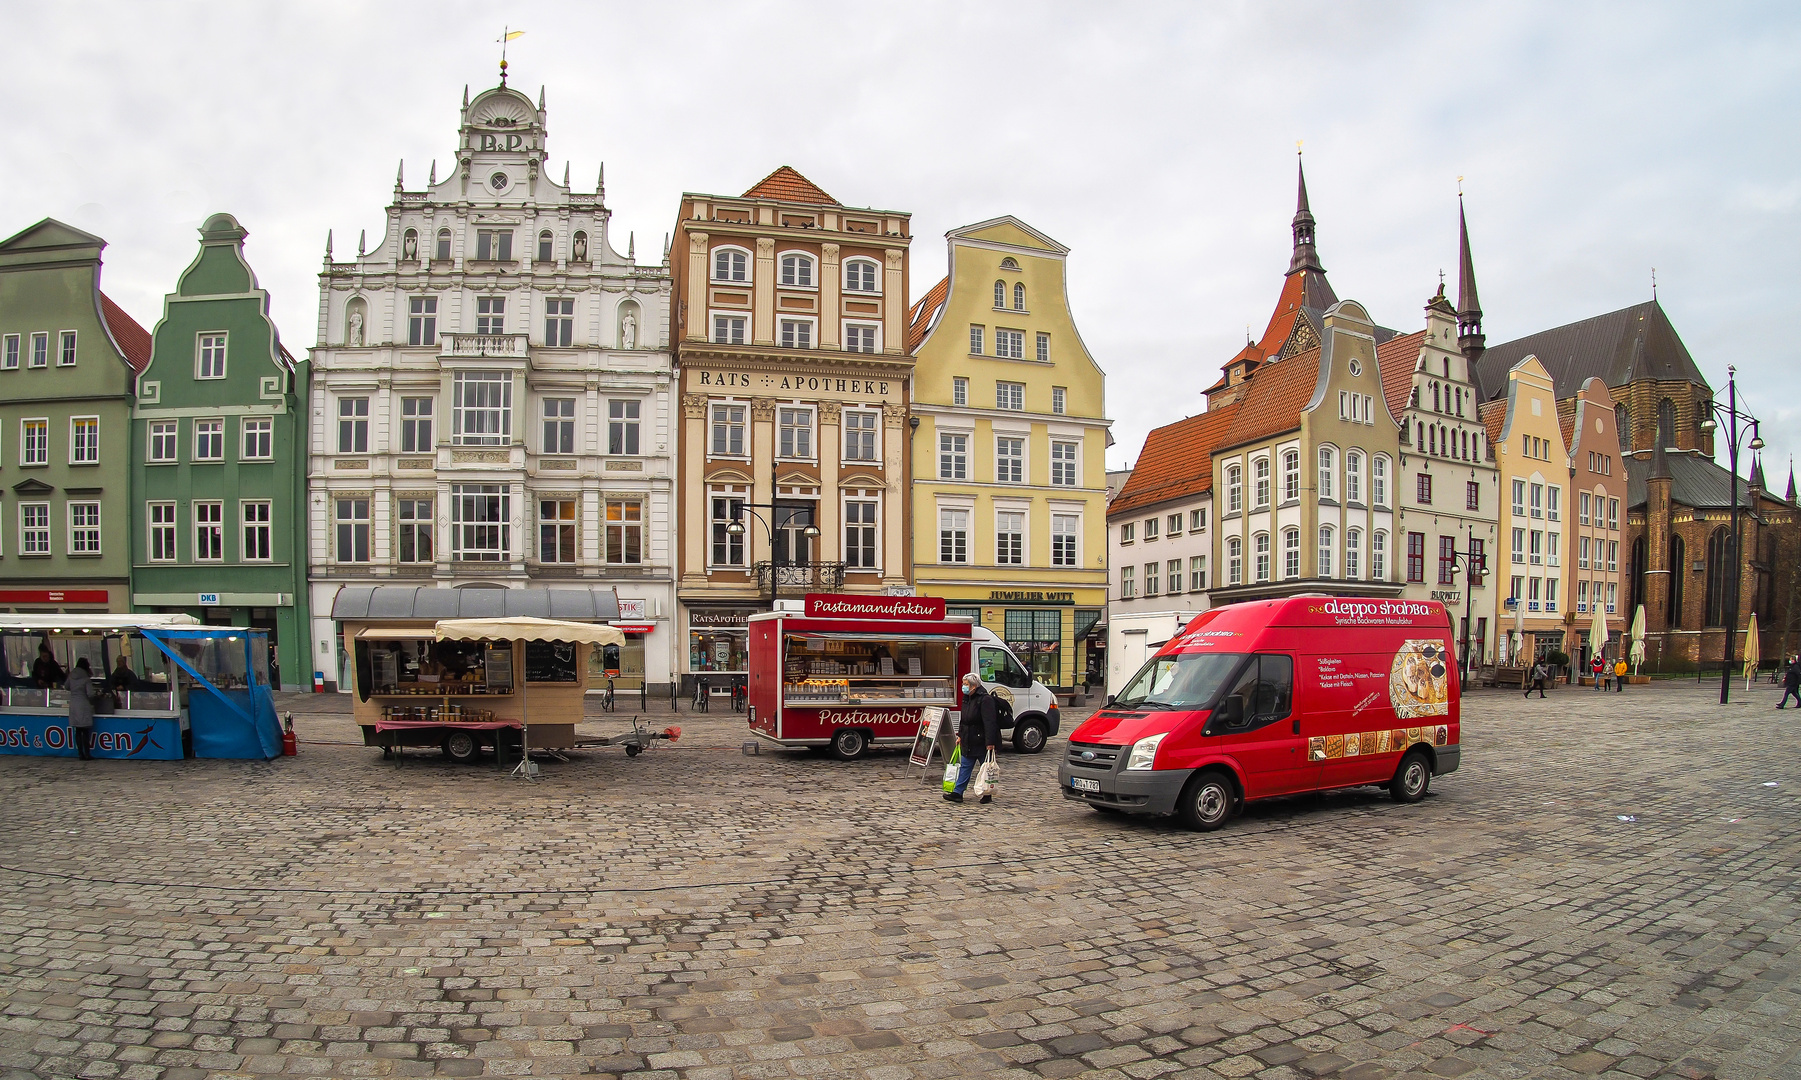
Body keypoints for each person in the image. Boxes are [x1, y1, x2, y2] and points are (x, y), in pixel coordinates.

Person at [946, 672, 1000, 805]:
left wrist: (990, 743)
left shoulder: (985, 699)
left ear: (973, 686)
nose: (963, 687)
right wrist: (960, 735)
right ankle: (958, 792)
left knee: (985, 768)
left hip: (981, 740)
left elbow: (990, 722)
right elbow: (964, 719)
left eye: (966, 684)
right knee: (965, 766)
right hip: (968, 738)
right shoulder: (967, 697)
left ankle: (987, 793)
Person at [67, 657, 95, 760]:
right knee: (85, 731)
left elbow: (66, 686)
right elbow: (90, 694)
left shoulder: (71, 675)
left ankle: (80, 753)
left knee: (78, 730)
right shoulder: (86, 678)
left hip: (73, 704)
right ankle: (87, 754)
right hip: (83, 704)